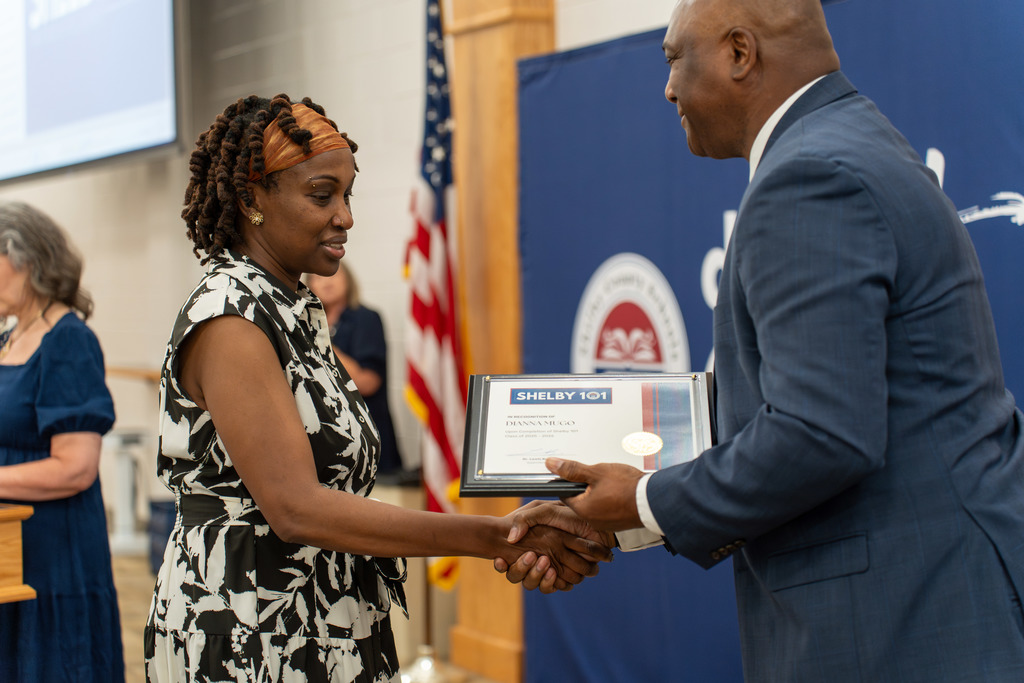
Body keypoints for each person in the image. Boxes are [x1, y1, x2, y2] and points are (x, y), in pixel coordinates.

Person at [502, 0, 1024, 680]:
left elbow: (821, 433)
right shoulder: (849, 142)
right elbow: (808, 403)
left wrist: (643, 500)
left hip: (906, 616)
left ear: (739, 53)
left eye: (674, 59)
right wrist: (615, 500)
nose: (668, 89)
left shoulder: (809, 177)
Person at [143, 94, 611, 683]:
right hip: (250, 627)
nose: (345, 216)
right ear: (251, 199)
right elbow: (296, 509)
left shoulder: (291, 309)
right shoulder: (231, 317)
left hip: (329, 613)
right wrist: (497, 536)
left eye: (347, 195)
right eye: (322, 195)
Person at [0, 202, 125, 682]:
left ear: (26, 260)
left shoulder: (68, 340)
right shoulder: (10, 337)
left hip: (53, 556)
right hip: (11, 552)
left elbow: (75, 467)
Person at [307, 262, 407, 480]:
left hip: (364, 437)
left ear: (348, 280)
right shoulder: (306, 323)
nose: (326, 282)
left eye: (333, 274)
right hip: (323, 444)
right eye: (318, 277)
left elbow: (367, 383)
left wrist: (322, 343)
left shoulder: (365, 318)